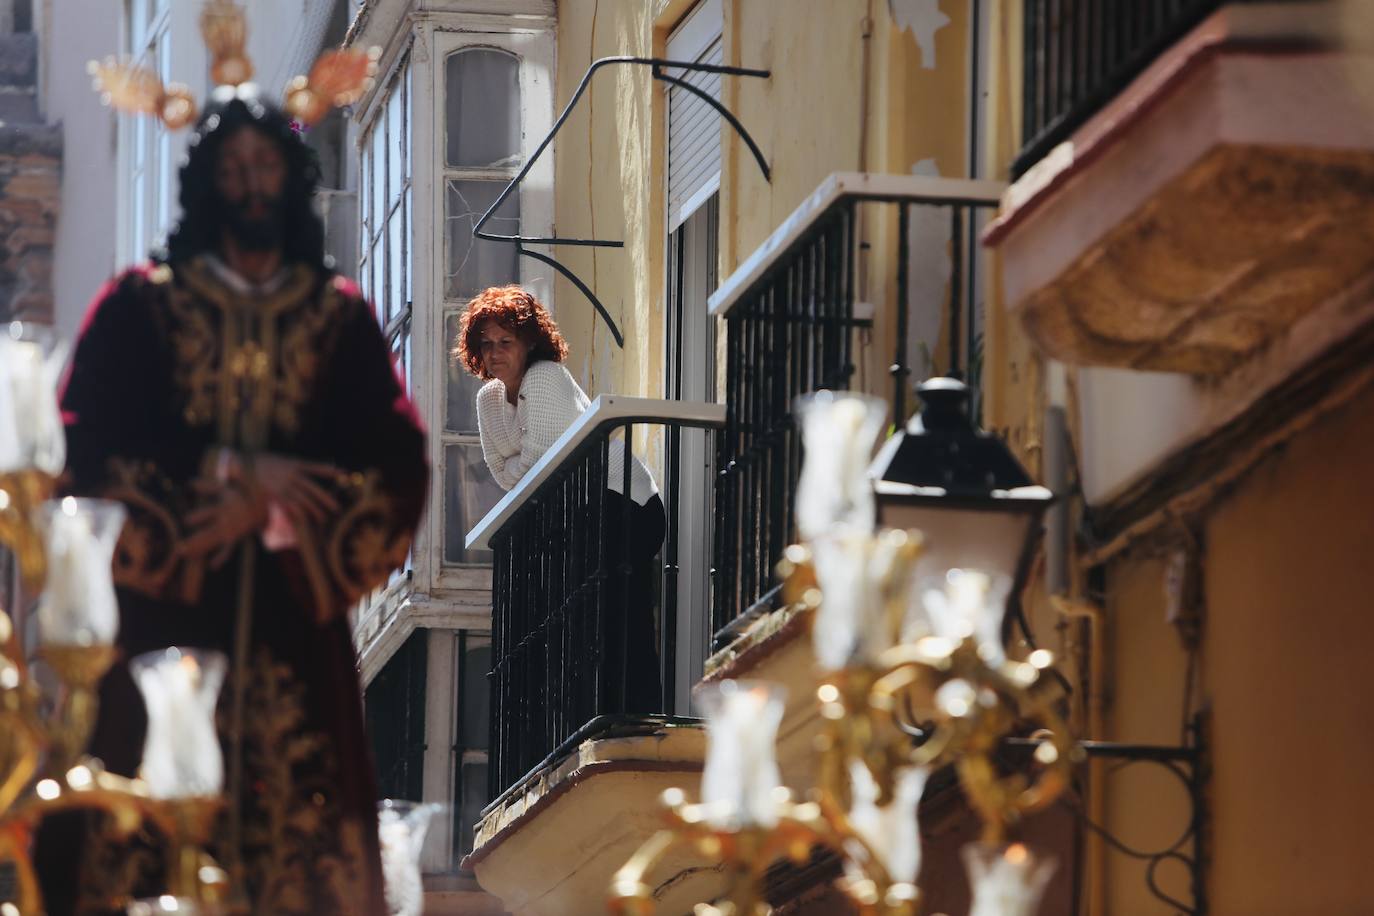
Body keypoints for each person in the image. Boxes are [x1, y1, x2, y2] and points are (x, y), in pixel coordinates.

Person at [34, 86, 427, 915]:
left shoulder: (336, 323)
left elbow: (398, 468)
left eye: (267, 165)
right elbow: (82, 451)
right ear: (206, 181)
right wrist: (217, 478)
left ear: (292, 178)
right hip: (157, 638)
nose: (252, 183)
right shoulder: (139, 308)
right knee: (132, 852)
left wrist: (281, 512)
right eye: (235, 166)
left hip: (292, 652)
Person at [454, 285, 664, 713]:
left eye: (505, 342)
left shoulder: (544, 375)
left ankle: (636, 712)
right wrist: (526, 462)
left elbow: (538, 461)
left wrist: (525, 462)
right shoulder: (489, 399)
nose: (495, 353)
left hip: (623, 502)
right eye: (486, 344)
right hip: (578, 510)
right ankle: (599, 712)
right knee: (580, 618)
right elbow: (504, 472)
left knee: (619, 613)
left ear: (530, 342)